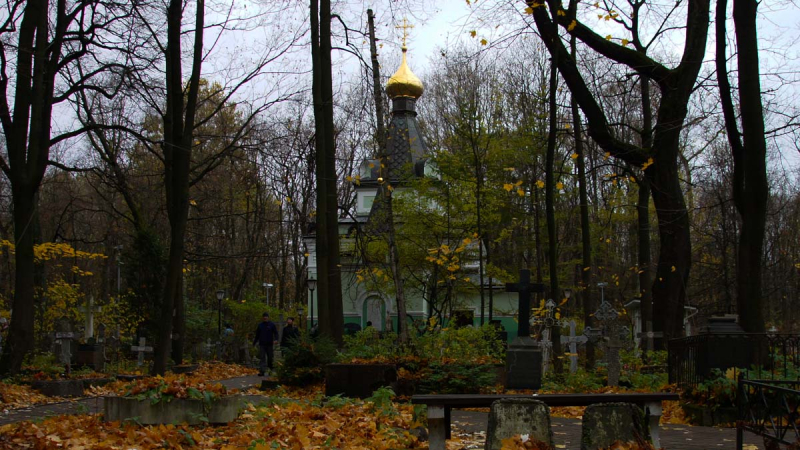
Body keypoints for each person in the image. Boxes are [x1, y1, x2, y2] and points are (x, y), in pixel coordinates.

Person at [252, 312, 279, 376]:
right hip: (262, 344)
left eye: (266, 316)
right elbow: (257, 335)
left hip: (269, 344)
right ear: (262, 318)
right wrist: (254, 342)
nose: (265, 318)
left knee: (270, 357)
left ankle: (270, 369)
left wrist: (276, 339)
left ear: (268, 317)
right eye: (264, 316)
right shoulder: (260, 325)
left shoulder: (272, 325)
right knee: (262, 358)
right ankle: (262, 371)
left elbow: (276, 333)